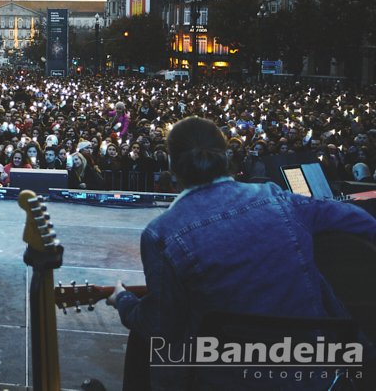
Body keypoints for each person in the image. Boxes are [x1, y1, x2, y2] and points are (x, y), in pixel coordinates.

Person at [107, 116, 376, 391]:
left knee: (148, 345)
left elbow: (160, 326)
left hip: (224, 382)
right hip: (316, 379)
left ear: (172, 165)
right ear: (226, 157)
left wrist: (124, 300)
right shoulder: (276, 197)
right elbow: (363, 221)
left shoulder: (161, 233)